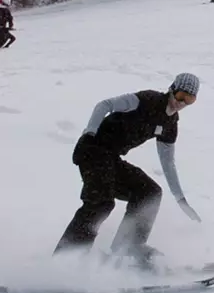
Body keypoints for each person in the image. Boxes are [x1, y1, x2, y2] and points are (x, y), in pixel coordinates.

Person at [53, 73, 203, 265]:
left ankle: (127, 249)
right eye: (181, 95)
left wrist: (180, 199)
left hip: (111, 158)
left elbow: (168, 163)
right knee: (100, 202)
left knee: (149, 193)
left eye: (190, 99)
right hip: (92, 150)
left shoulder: (170, 124)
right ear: (172, 89)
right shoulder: (147, 100)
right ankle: (66, 259)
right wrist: (90, 132)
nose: (182, 102)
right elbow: (104, 105)